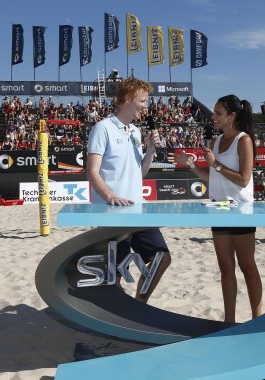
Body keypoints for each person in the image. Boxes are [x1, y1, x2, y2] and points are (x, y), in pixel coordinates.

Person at [175, 94, 262, 323]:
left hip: (241, 211)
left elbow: (244, 180)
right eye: (214, 112)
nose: (213, 117)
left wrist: (215, 163)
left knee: (247, 267)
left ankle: (258, 318)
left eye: (218, 113)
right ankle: (229, 321)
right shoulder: (216, 141)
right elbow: (212, 178)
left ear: (232, 116)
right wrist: (192, 165)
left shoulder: (244, 140)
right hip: (219, 207)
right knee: (225, 267)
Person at [86, 77, 171, 303]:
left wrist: (151, 151)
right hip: (112, 214)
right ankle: (114, 314)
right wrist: (110, 196)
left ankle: (138, 306)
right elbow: (92, 172)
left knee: (162, 258)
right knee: (114, 273)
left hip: (137, 211)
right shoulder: (102, 128)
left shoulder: (134, 131)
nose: (146, 106)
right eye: (142, 101)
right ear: (126, 99)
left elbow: (139, 174)